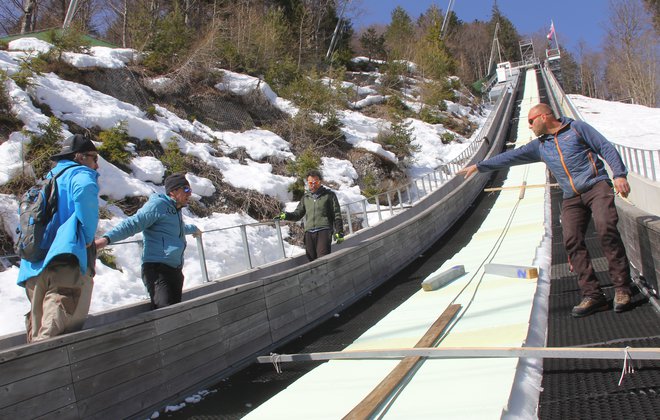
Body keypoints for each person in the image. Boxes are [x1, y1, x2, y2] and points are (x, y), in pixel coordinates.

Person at [458, 103, 633, 318]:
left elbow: (605, 147)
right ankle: (593, 295)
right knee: (571, 240)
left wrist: (619, 174)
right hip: (572, 195)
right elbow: (511, 156)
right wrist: (480, 166)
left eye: (531, 121)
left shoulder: (577, 128)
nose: (529, 126)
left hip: (596, 185)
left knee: (605, 227)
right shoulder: (540, 146)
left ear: (543, 117)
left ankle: (622, 288)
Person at [18, 134, 100, 342]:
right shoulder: (79, 174)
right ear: (80, 157)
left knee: (37, 330)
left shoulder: (48, 179)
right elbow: (84, 190)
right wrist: (88, 235)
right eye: (94, 158)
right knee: (58, 336)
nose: (96, 165)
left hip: (35, 266)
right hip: (65, 263)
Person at [95, 173, 201, 309]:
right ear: (173, 191)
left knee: (175, 315)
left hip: (174, 270)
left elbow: (176, 229)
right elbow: (133, 224)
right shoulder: (157, 205)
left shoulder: (174, 209)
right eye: (186, 189)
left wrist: (193, 229)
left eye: (190, 190)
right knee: (165, 313)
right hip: (158, 270)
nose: (189, 193)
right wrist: (106, 239)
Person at [275, 170, 345, 261]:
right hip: (309, 232)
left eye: (315, 182)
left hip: (324, 230)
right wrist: (286, 215)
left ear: (320, 181)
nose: (313, 184)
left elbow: (336, 214)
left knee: (323, 258)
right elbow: (298, 214)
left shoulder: (329, 195)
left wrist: (339, 231)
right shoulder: (306, 197)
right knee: (311, 259)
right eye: (310, 182)